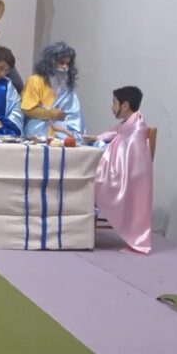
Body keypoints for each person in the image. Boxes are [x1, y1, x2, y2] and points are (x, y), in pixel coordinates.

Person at [94, 86, 153, 254]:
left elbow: (123, 150)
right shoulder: (130, 122)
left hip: (133, 178)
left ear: (125, 105)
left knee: (94, 180)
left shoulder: (136, 128)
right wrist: (97, 139)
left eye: (114, 103)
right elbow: (114, 135)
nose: (111, 107)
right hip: (127, 174)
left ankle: (138, 241)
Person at [21, 41, 85, 142]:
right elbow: (27, 110)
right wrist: (53, 114)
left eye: (67, 64)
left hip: (62, 135)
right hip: (37, 132)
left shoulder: (68, 88)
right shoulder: (35, 81)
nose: (65, 67)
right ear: (50, 63)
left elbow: (74, 116)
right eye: (61, 63)